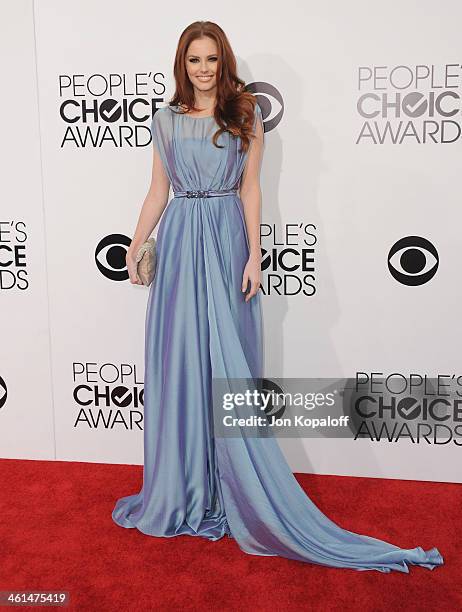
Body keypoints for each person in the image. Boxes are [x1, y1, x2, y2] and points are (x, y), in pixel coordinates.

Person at [112, 20, 444, 573]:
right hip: (178, 244)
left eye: (211, 59)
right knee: (180, 367)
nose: (202, 69)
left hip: (223, 241)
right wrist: (134, 242)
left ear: (224, 61)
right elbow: (157, 190)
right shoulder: (165, 121)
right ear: (181, 63)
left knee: (230, 371)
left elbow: (250, 187)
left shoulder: (244, 115)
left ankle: (231, 489)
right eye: (193, 59)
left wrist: (254, 253)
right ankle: (182, 489)